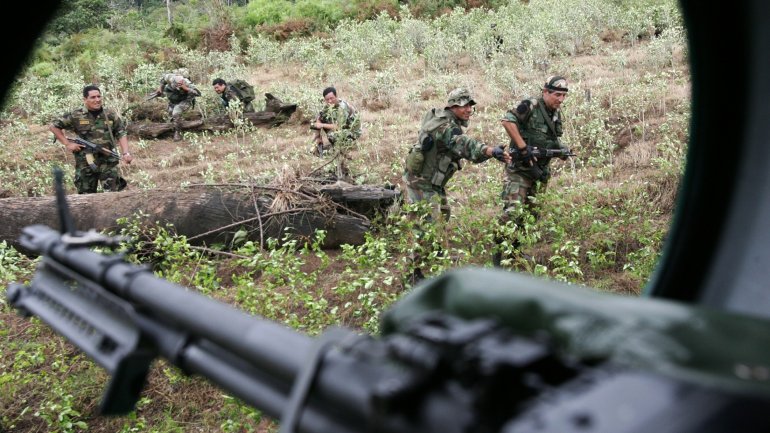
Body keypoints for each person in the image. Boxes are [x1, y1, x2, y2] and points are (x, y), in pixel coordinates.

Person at [402, 87, 511, 283]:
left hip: (431, 181)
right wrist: (490, 151)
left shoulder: (438, 117)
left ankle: (435, 255)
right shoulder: (446, 127)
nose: (468, 110)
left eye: (470, 106)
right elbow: (465, 145)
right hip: (422, 182)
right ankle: (412, 273)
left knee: (443, 214)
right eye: (464, 106)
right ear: (452, 107)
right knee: (427, 227)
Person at [494, 75, 570, 266]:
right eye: (557, 95)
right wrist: (523, 148)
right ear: (545, 92)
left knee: (530, 215)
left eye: (564, 96)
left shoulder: (555, 114)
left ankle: (515, 253)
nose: (561, 99)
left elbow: (550, 140)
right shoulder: (531, 105)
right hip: (519, 171)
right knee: (512, 212)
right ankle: (497, 257)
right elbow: (507, 121)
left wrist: (561, 151)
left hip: (539, 172)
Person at [50, 84, 133, 194]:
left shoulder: (109, 114)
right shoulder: (76, 115)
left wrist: (126, 153)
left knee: (113, 195)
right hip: (85, 163)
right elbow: (54, 126)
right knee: (85, 196)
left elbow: (121, 132)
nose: (97, 100)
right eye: (93, 97)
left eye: (99, 96)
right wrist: (67, 143)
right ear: (85, 99)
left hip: (107, 161)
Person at [310, 87, 361, 179]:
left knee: (332, 135)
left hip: (351, 132)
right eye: (327, 99)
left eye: (331, 98)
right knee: (316, 125)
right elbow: (319, 118)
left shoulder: (342, 107)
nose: (330, 101)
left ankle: (342, 153)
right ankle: (321, 148)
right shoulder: (328, 107)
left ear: (336, 96)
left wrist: (322, 125)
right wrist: (318, 135)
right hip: (340, 130)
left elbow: (338, 127)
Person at [153, 68, 201, 141]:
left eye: (179, 85)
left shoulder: (187, 83)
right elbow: (163, 80)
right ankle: (173, 127)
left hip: (185, 100)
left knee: (176, 112)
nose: (178, 86)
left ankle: (177, 133)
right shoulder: (169, 77)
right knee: (170, 113)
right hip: (174, 99)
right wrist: (160, 89)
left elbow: (198, 93)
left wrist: (186, 88)